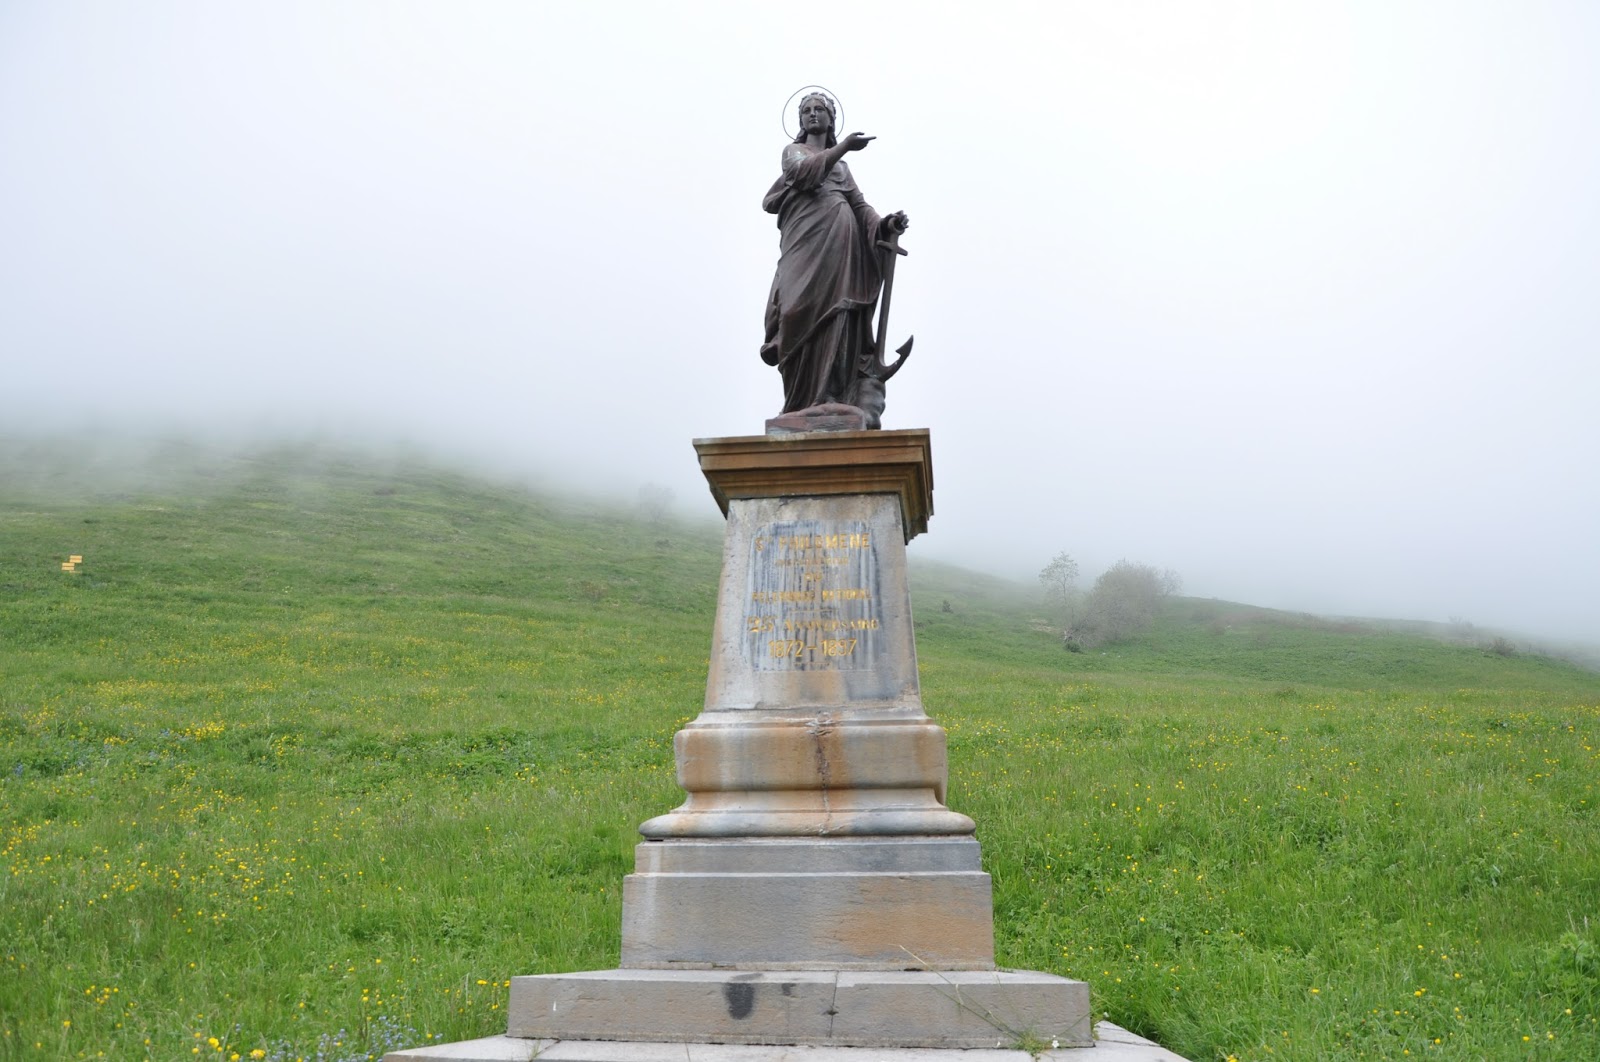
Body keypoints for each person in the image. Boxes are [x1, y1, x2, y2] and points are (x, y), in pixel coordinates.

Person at [760, 92, 909, 427]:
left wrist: (885, 225)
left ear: (830, 119)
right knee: (795, 311)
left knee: (839, 313)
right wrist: (842, 148)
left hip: (842, 246)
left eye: (819, 109)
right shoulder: (794, 152)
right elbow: (804, 174)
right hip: (804, 243)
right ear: (800, 122)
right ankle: (798, 403)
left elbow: (859, 206)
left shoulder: (841, 169)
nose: (813, 114)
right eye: (806, 111)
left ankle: (830, 397)